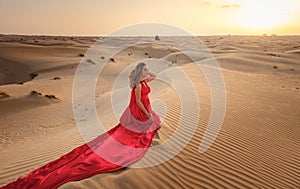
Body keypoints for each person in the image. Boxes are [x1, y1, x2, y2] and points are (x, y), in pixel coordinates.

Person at [1, 62, 161, 189]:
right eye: (144, 71)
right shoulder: (139, 85)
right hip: (139, 109)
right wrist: (146, 113)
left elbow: (155, 75)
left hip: (145, 106)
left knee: (149, 126)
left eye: (147, 71)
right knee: (139, 132)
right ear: (140, 73)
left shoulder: (144, 81)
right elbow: (138, 101)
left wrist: (144, 72)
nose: (148, 73)